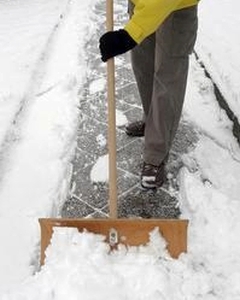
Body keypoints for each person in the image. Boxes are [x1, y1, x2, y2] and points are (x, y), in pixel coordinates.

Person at [99, 0, 199, 189]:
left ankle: (156, 154)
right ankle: (151, 121)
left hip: (175, 8)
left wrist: (129, 34)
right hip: (142, 5)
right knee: (144, 69)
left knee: (167, 80)